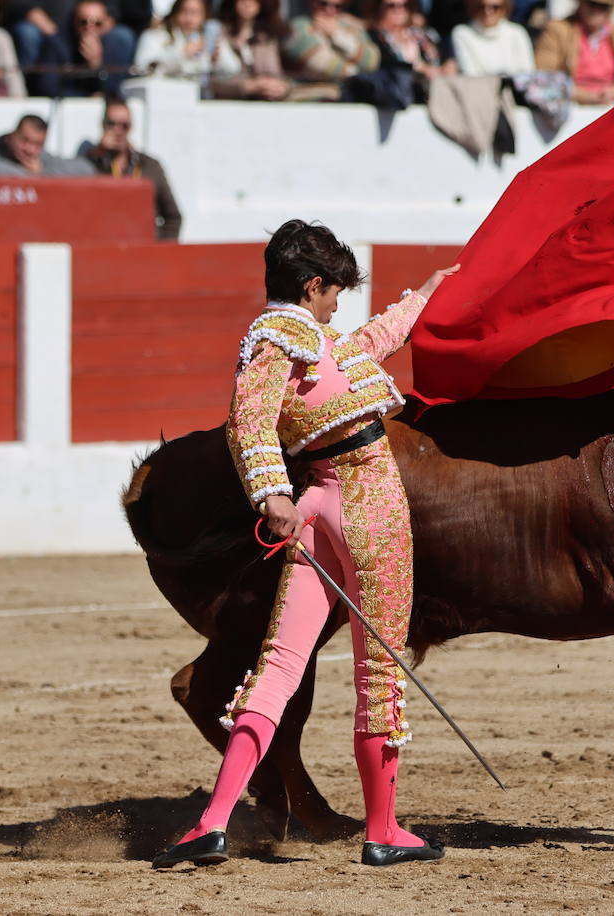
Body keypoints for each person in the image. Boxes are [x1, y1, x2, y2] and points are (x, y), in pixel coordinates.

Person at [151, 221, 459, 870]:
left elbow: (369, 343)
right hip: (366, 505)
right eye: (334, 292)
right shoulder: (280, 339)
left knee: (279, 666)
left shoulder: (309, 342)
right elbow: (248, 424)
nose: (338, 304)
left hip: (322, 503)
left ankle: (212, 823)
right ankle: (383, 830)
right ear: (311, 285)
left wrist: (424, 295)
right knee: (377, 672)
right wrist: (271, 496)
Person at [80, 98, 182, 240]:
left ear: (131, 127)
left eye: (124, 125)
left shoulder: (150, 165)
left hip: (144, 247)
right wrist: (102, 155)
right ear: (103, 126)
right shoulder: (89, 164)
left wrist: (163, 250)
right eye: (112, 124)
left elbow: (173, 217)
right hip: (107, 245)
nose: (118, 130)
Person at [4, 0, 137, 95]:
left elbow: (109, 88)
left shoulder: (110, 43)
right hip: (50, 30)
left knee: (123, 36)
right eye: (83, 22)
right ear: (74, 21)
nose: (89, 29)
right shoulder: (57, 44)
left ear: (106, 23)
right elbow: (48, 87)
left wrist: (96, 65)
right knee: (27, 33)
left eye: (97, 23)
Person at [534, 0, 614, 104]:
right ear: (580, 3)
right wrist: (584, 96)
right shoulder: (557, 29)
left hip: (610, 105)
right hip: (570, 107)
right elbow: (543, 78)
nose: (597, 10)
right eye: (592, 4)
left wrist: (612, 93)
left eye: (604, 6)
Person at [134, 0, 242, 88]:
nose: (189, 18)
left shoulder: (210, 38)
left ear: (204, 16)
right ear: (175, 13)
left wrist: (218, 58)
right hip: (166, 95)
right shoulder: (155, 35)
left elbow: (233, 69)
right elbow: (142, 68)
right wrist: (182, 53)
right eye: (184, 11)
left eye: (195, 13)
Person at [282, 0, 380, 92]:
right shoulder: (298, 27)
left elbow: (371, 61)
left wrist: (337, 35)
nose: (330, 10)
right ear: (312, 2)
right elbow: (320, 63)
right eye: (323, 4)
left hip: (349, 98)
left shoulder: (350, 26)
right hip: (311, 98)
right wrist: (360, 74)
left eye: (337, 6)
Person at [213, 0, 292, 99]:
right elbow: (211, 80)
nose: (248, 3)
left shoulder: (267, 39)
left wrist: (282, 88)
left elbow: (278, 76)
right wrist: (247, 86)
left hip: (262, 104)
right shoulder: (218, 33)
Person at [0, 113, 97, 175]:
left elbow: (86, 169)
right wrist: (33, 177)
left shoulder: (41, 159)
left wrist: (43, 171)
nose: (30, 149)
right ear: (12, 136)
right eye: (25, 141)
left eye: (38, 144)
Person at [450, 0, 534, 77]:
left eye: (495, 7)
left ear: (504, 9)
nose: (488, 11)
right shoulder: (462, 33)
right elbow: (470, 74)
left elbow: (527, 72)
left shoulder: (517, 32)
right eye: (482, 7)